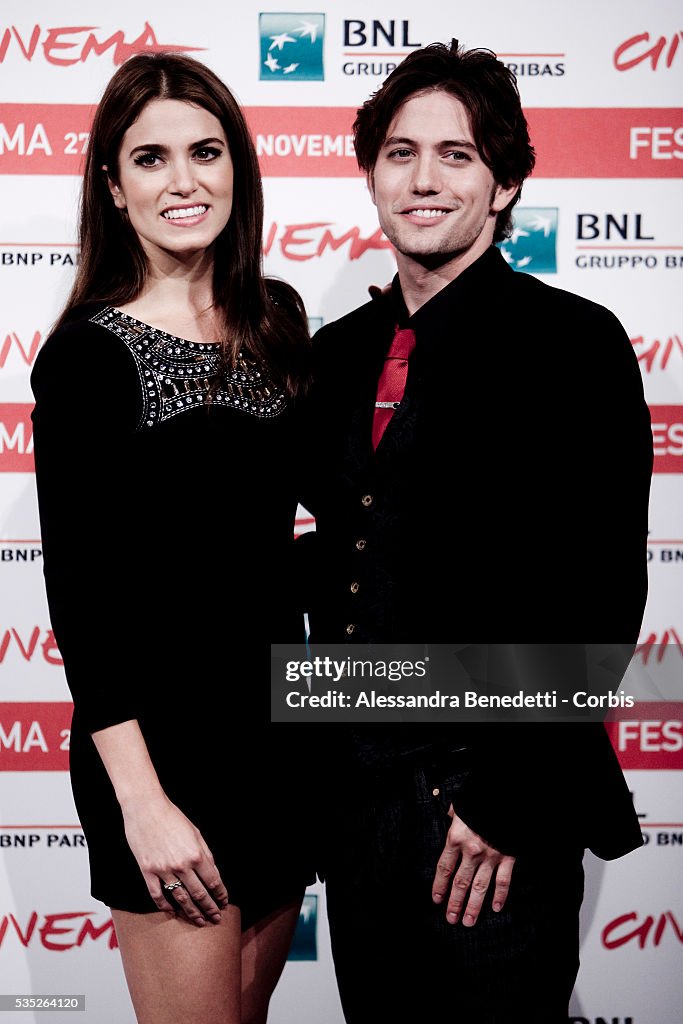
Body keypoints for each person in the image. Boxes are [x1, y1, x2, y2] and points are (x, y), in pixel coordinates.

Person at [301, 41, 653, 1023]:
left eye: (455, 155)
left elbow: (599, 597)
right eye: (400, 152)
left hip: (496, 805)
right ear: (370, 171)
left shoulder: (570, 343)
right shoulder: (333, 357)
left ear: (502, 183)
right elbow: (340, 553)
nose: (422, 179)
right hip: (357, 805)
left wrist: (505, 796)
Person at [30, 52, 312, 1024]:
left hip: (278, 746)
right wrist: (143, 805)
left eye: (205, 150)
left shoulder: (277, 321)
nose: (182, 180)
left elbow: (282, 540)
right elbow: (83, 600)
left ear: (238, 165)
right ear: (112, 186)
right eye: (149, 159)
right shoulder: (85, 355)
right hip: (161, 761)